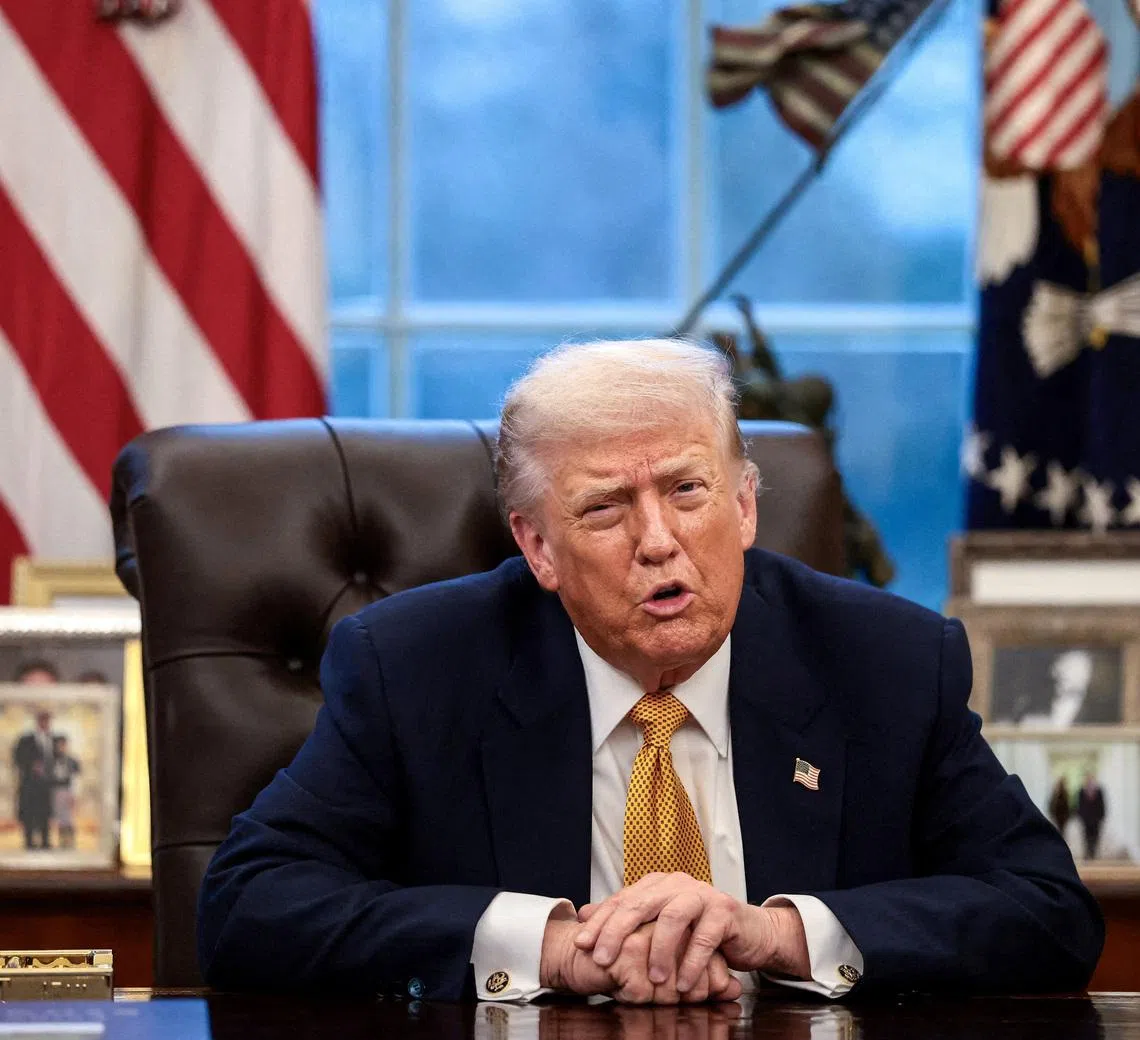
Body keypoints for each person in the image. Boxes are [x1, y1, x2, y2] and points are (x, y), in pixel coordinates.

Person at [198, 339, 1103, 1003]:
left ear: (745, 506)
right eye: (604, 509)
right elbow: (249, 907)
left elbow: (1047, 912)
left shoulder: (888, 662)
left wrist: (778, 934)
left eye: (686, 490)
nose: (659, 542)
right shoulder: (414, 667)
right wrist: (544, 946)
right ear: (538, 546)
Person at [12, 710, 54, 849]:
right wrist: (31, 766)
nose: (46, 724)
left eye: (47, 721)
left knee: (45, 813)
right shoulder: (25, 739)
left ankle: (45, 842)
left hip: (46, 785)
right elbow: (17, 758)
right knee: (29, 813)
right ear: (38, 722)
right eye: (43, 720)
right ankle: (29, 842)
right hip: (29, 784)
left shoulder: (53, 739)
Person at [49, 734, 81, 850]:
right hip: (55, 790)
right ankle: (62, 841)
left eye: (63, 745)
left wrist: (74, 794)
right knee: (59, 818)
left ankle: (70, 841)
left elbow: (76, 779)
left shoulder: (72, 761)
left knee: (68, 817)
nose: (61, 747)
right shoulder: (51, 760)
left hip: (67, 790)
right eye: (59, 745)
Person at [1077, 770, 1107, 861]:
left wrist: (1102, 816)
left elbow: (1102, 804)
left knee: (1095, 836)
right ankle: (1087, 852)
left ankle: (1092, 852)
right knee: (1086, 836)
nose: (1089, 780)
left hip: (1096, 818)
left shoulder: (1099, 790)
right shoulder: (1082, 791)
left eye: (1091, 778)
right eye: (1087, 778)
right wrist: (1080, 816)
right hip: (1086, 818)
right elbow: (1079, 805)